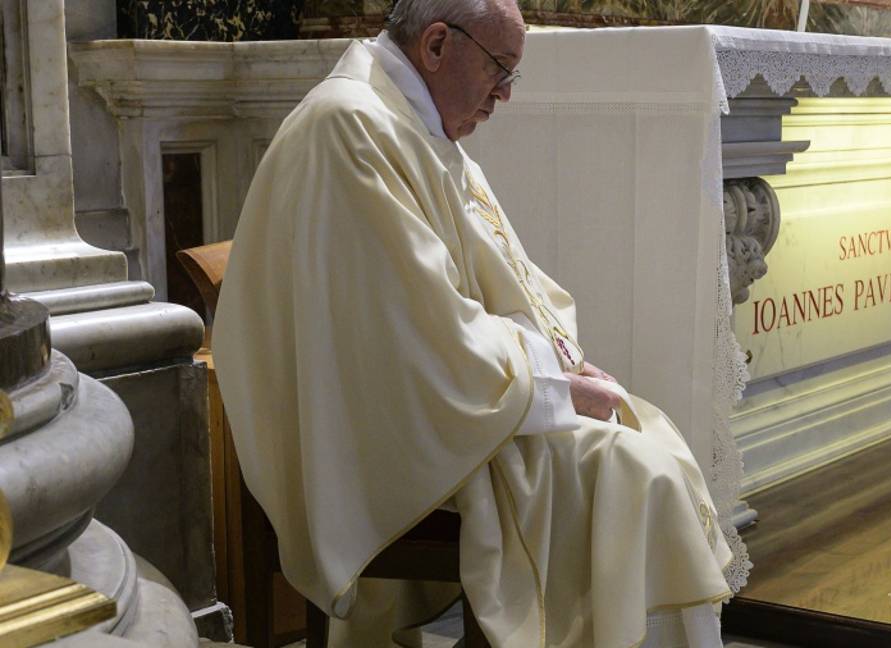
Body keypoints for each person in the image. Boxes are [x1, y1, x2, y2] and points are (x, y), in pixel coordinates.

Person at [212, 0, 734, 645]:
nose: (505, 95)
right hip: (373, 423)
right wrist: (551, 387)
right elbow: (406, 329)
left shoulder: (408, 122)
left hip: (438, 398)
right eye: (500, 69)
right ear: (436, 45)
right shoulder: (351, 126)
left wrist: (560, 363)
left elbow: (496, 277)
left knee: (648, 441)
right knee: (633, 471)